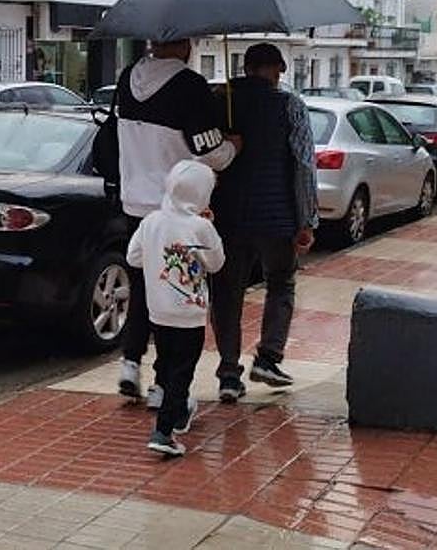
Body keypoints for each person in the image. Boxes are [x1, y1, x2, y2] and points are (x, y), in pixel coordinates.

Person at [115, 39, 240, 407]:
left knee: (142, 287)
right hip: (177, 210)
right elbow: (209, 152)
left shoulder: (127, 78)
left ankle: (129, 362)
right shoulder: (189, 85)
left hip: (134, 202)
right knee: (175, 295)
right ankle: (162, 387)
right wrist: (233, 146)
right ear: (185, 43)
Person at [210, 43, 318, 401]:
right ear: (276, 70)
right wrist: (307, 219)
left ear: (246, 67)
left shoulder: (220, 102)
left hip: (228, 217)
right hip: (277, 217)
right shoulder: (291, 106)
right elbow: (303, 165)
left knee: (227, 293)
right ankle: (268, 358)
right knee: (281, 282)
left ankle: (228, 373)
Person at [127, 160, 225, 457]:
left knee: (168, 363)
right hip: (189, 313)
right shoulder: (202, 227)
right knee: (182, 371)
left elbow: (133, 257)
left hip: (158, 310)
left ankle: (179, 413)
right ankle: (163, 431)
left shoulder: (151, 221)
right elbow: (217, 263)